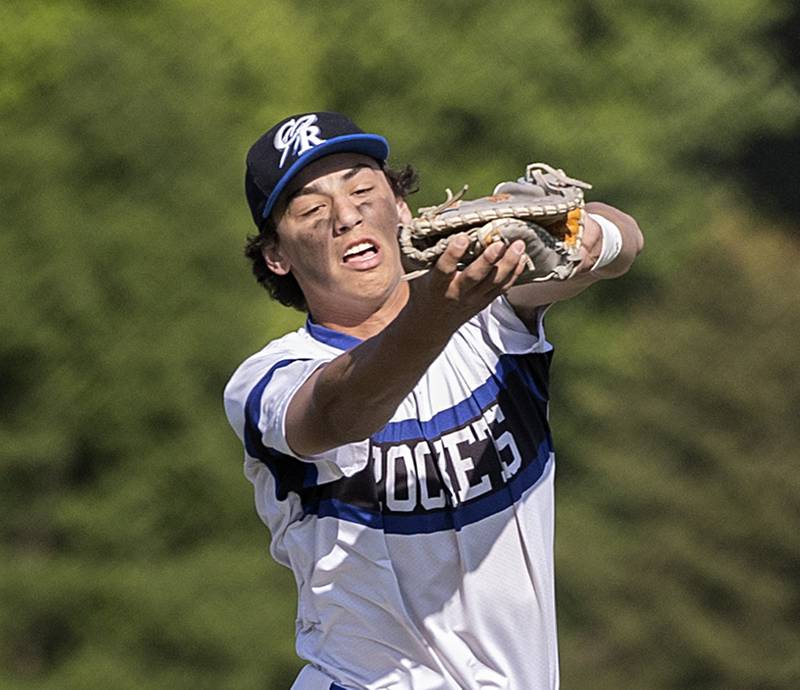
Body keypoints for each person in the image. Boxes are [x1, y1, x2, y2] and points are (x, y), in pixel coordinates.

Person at [224, 111, 643, 690]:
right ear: (277, 255)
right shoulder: (269, 377)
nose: (346, 215)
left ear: (400, 209)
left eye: (364, 189)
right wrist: (435, 311)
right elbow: (339, 411)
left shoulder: (492, 316)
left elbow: (626, 244)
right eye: (312, 209)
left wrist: (583, 238)